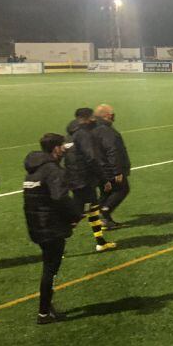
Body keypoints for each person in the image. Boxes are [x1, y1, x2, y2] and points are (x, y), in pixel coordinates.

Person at [23, 133, 81, 324]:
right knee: (50, 269)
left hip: (36, 226)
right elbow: (60, 199)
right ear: (56, 148)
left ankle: (47, 307)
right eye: (62, 146)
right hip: (50, 228)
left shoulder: (33, 169)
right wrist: (74, 216)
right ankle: (44, 312)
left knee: (49, 266)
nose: (64, 149)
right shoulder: (53, 171)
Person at [65, 108, 116, 251]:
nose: (94, 119)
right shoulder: (83, 135)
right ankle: (58, 244)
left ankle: (100, 242)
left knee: (93, 210)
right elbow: (92, 158)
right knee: (78, 214)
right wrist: (104, 178)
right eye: (92, 117)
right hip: (83, 181)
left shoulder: (69, 135)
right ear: (87, 118)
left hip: (75, 179)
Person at [94, 104, 130, 229]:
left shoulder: (93, 127)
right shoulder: (105, 130)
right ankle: (104, 212)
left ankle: (102, 219)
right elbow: (112, 150)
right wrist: (117, 170)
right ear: (107, 115)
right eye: (112, 114)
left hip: (98, 167)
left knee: (106, 192)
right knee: (122, 189)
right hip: (108, 168)